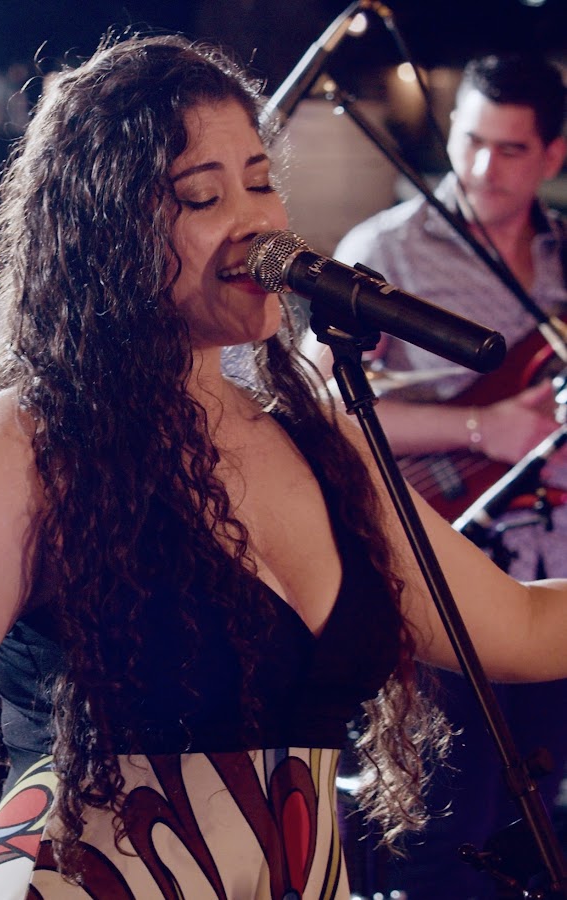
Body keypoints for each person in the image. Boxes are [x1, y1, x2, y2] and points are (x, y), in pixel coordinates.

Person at [0, 33, 567, 900]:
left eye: (261, 182)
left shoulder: (327, 447)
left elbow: (523, 625)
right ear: (108, 233)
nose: (257, 220)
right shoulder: (37, 441)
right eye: (203, 196)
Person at [310, 54, 567, 899]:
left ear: (554, 155)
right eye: (470, 141)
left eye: (511, 149)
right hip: (435, 569)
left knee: (538, 828)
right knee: (446, 832)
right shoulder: (383, 251)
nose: (483, 167)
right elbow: (320, 410)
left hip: (552, 574)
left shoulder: (562, 258)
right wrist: (484, 427)